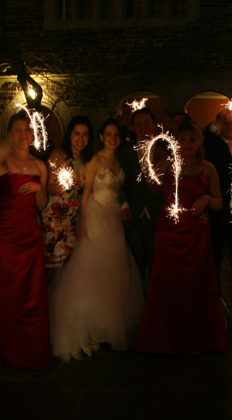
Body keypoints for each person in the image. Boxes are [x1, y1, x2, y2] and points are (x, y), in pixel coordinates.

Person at [50, 119, 144, 362]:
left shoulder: (119, 159)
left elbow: (120, 188)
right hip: (95, 217)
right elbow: (87, 194)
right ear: (101, 137)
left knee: (114, 272)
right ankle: (90, 326)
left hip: (115, 219)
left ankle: (107, 325)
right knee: (95, 270)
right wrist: (83, 225)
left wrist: (123, 204)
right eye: (108, 134)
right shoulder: (93, 162)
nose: (112, 138)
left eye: (116, 134)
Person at [135, 121, 228, 355]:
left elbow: (219, 203)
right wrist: (153, 169)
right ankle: (163, 340)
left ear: (199, 142)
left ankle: (195, 339)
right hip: (169, 232)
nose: (187, 144)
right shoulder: (167, 163)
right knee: (167, 284)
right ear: (176, 142)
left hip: (197, 236)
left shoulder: (208, 168)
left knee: (195, 286)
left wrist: (207, 198)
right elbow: (152, 188)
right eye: (182, 140)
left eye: (192, 139)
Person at [0, 113, 51, 373]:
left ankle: (31, 352)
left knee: (31, 297)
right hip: (4, 238)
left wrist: (39, 190)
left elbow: (42, 206)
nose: (24, 135)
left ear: (33, 135)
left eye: (27, 130)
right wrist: (6, 142)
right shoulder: (2, 161)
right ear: (10, 134)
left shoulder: (40, 166)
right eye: (17, 130)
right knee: (5, 297)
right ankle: (4, 351)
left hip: (30, 235)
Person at [203, 109, 232, 310]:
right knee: (216, 254)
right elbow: (206, 135)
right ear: (220, 125)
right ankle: (215, 296)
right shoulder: (213, 144)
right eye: (226, 123)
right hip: (219, 210)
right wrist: (216, 121)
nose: (230, 127)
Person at [41, 116, 94, 279]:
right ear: (70, 135)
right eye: (77, 133)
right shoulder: (58, 155)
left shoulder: (85, 163)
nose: (80, 139)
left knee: (67, 272)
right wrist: (54, 188)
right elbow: (47, 187)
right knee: (52, 271)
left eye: (85, 135)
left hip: (71, 222)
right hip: (54, 221)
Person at [119, 108, 165, 293]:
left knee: (158, 267)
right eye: (138, 124)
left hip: (158, 214)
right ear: (132, 127)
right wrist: (124, 204)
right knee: (135, 267)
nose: (143, 127)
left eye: (147, 123)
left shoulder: (165, 149)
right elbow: (120, 181)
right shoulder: (124, 152)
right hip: (134, 216)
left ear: (154, 125)